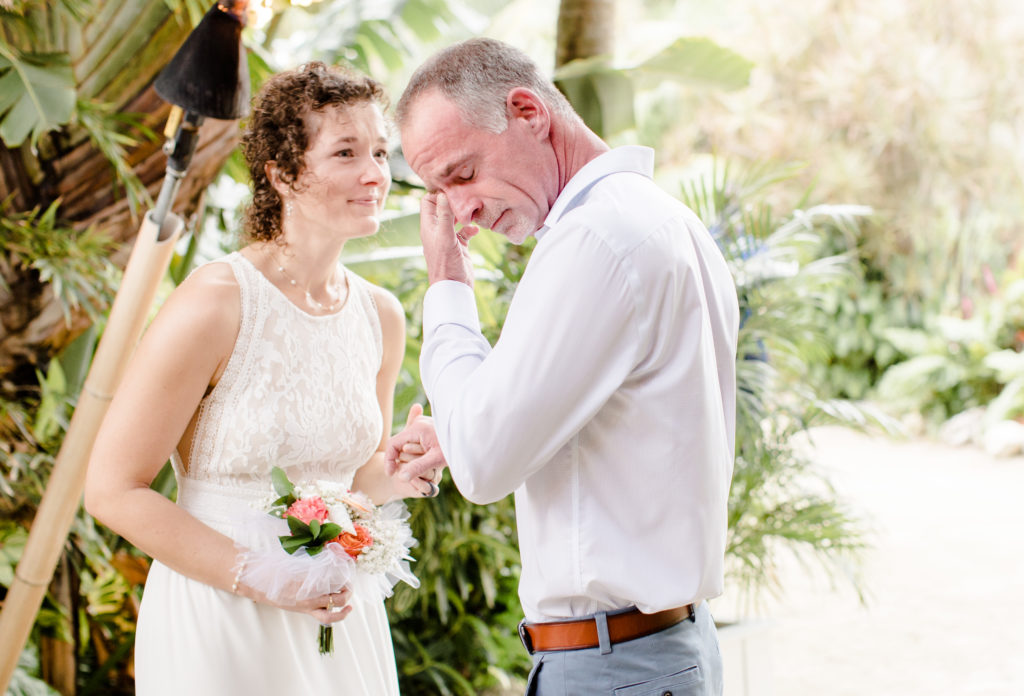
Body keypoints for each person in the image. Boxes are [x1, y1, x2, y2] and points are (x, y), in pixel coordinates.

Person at [386, 38, 739, 695]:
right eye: (438, 193)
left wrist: (447, 285)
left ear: (528, 111)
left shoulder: (596, 239)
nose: (460, 213)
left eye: (461, 174)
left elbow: (488, 464)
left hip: (618, 664)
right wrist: (456, 431)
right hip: (648, 654)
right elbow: (623, 421)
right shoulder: (657, 220)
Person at [84, 62, 442, 695]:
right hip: (223, 617)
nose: (376, 174)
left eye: (381, 152)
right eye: (346, 152)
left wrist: (397, 472)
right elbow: (113, 490)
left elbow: (347, 483)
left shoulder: (380, 316)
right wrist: (260, 576)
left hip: (337, 616)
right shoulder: (217, 302)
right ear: (282, 174)